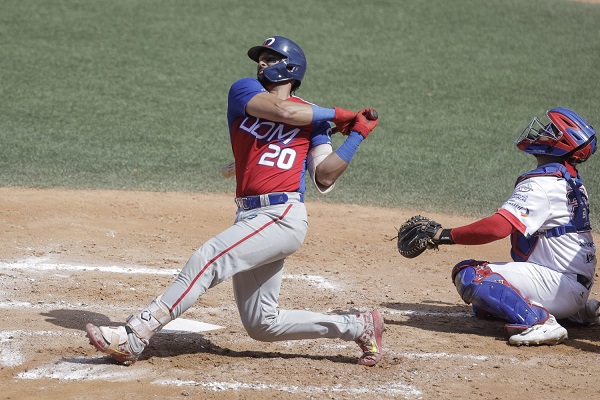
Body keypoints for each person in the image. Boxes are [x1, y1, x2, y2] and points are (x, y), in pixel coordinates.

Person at [86, 36, 384, 366]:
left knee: (209, 259)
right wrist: (339, 113)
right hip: (249, 217)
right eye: (261, 58)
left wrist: (357, 134)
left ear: (290, 68)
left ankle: (136, 334)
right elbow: (284, 110)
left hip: (283, 216)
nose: (262, 63)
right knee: (262, 324)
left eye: (270, 59)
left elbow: (324, 175)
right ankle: (358, 326)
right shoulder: (244, 91)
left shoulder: (314, 122)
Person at [405, 107, 597, 345]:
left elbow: (497, 227)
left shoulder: (542, 184)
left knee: (471, 275)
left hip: (560, 287)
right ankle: (574, 312)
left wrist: (443, 235)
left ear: (558, 144)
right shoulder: (570, 182)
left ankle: (539, 321)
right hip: (570, 286)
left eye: (550, 131)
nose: (541, 132)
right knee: (486, 305)